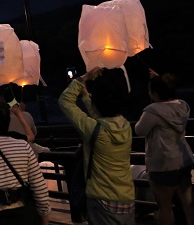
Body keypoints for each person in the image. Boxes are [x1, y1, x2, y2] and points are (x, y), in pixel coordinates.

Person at [59, 67, 135, 225]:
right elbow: (102, 116)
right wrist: (87, 96)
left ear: (96, 105)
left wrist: (84, 77)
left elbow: (65, 101)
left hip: (101, 197)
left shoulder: (95, 130)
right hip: (127, 197)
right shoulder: (125, 126)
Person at [135, 70, 194, 225]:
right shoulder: (182, 106)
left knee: (165, 207)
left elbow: (139, 130)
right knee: (188, 203)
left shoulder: (153, 111)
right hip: (183, 161)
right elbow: (168, 97)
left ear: (154, 93)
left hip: (163, 164)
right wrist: (160, 80)